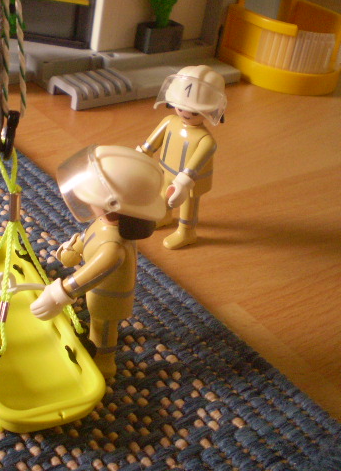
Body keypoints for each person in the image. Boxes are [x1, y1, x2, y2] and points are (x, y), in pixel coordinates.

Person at [31, 145, 166, 377]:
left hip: (109, 296)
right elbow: (88, 236)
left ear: (112, 206)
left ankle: (105, 361)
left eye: (90, 196)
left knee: (103, 329)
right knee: (99, 323)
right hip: (99, 292)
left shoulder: (113, 248)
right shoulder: (104, 225)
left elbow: (92, 273)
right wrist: (75, 247)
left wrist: (59, 294)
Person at [137, 65, 227, 249]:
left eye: (195, 112)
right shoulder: (169, 122)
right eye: (180, 107)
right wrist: (140, 155)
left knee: (188, 205)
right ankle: (163, 216)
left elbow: (195, 164)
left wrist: (184, 182)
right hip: (166, 170)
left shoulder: (206, 140)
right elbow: (150, 144)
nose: (185, 114)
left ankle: (187, 232)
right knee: (162, 195)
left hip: (189, 181)